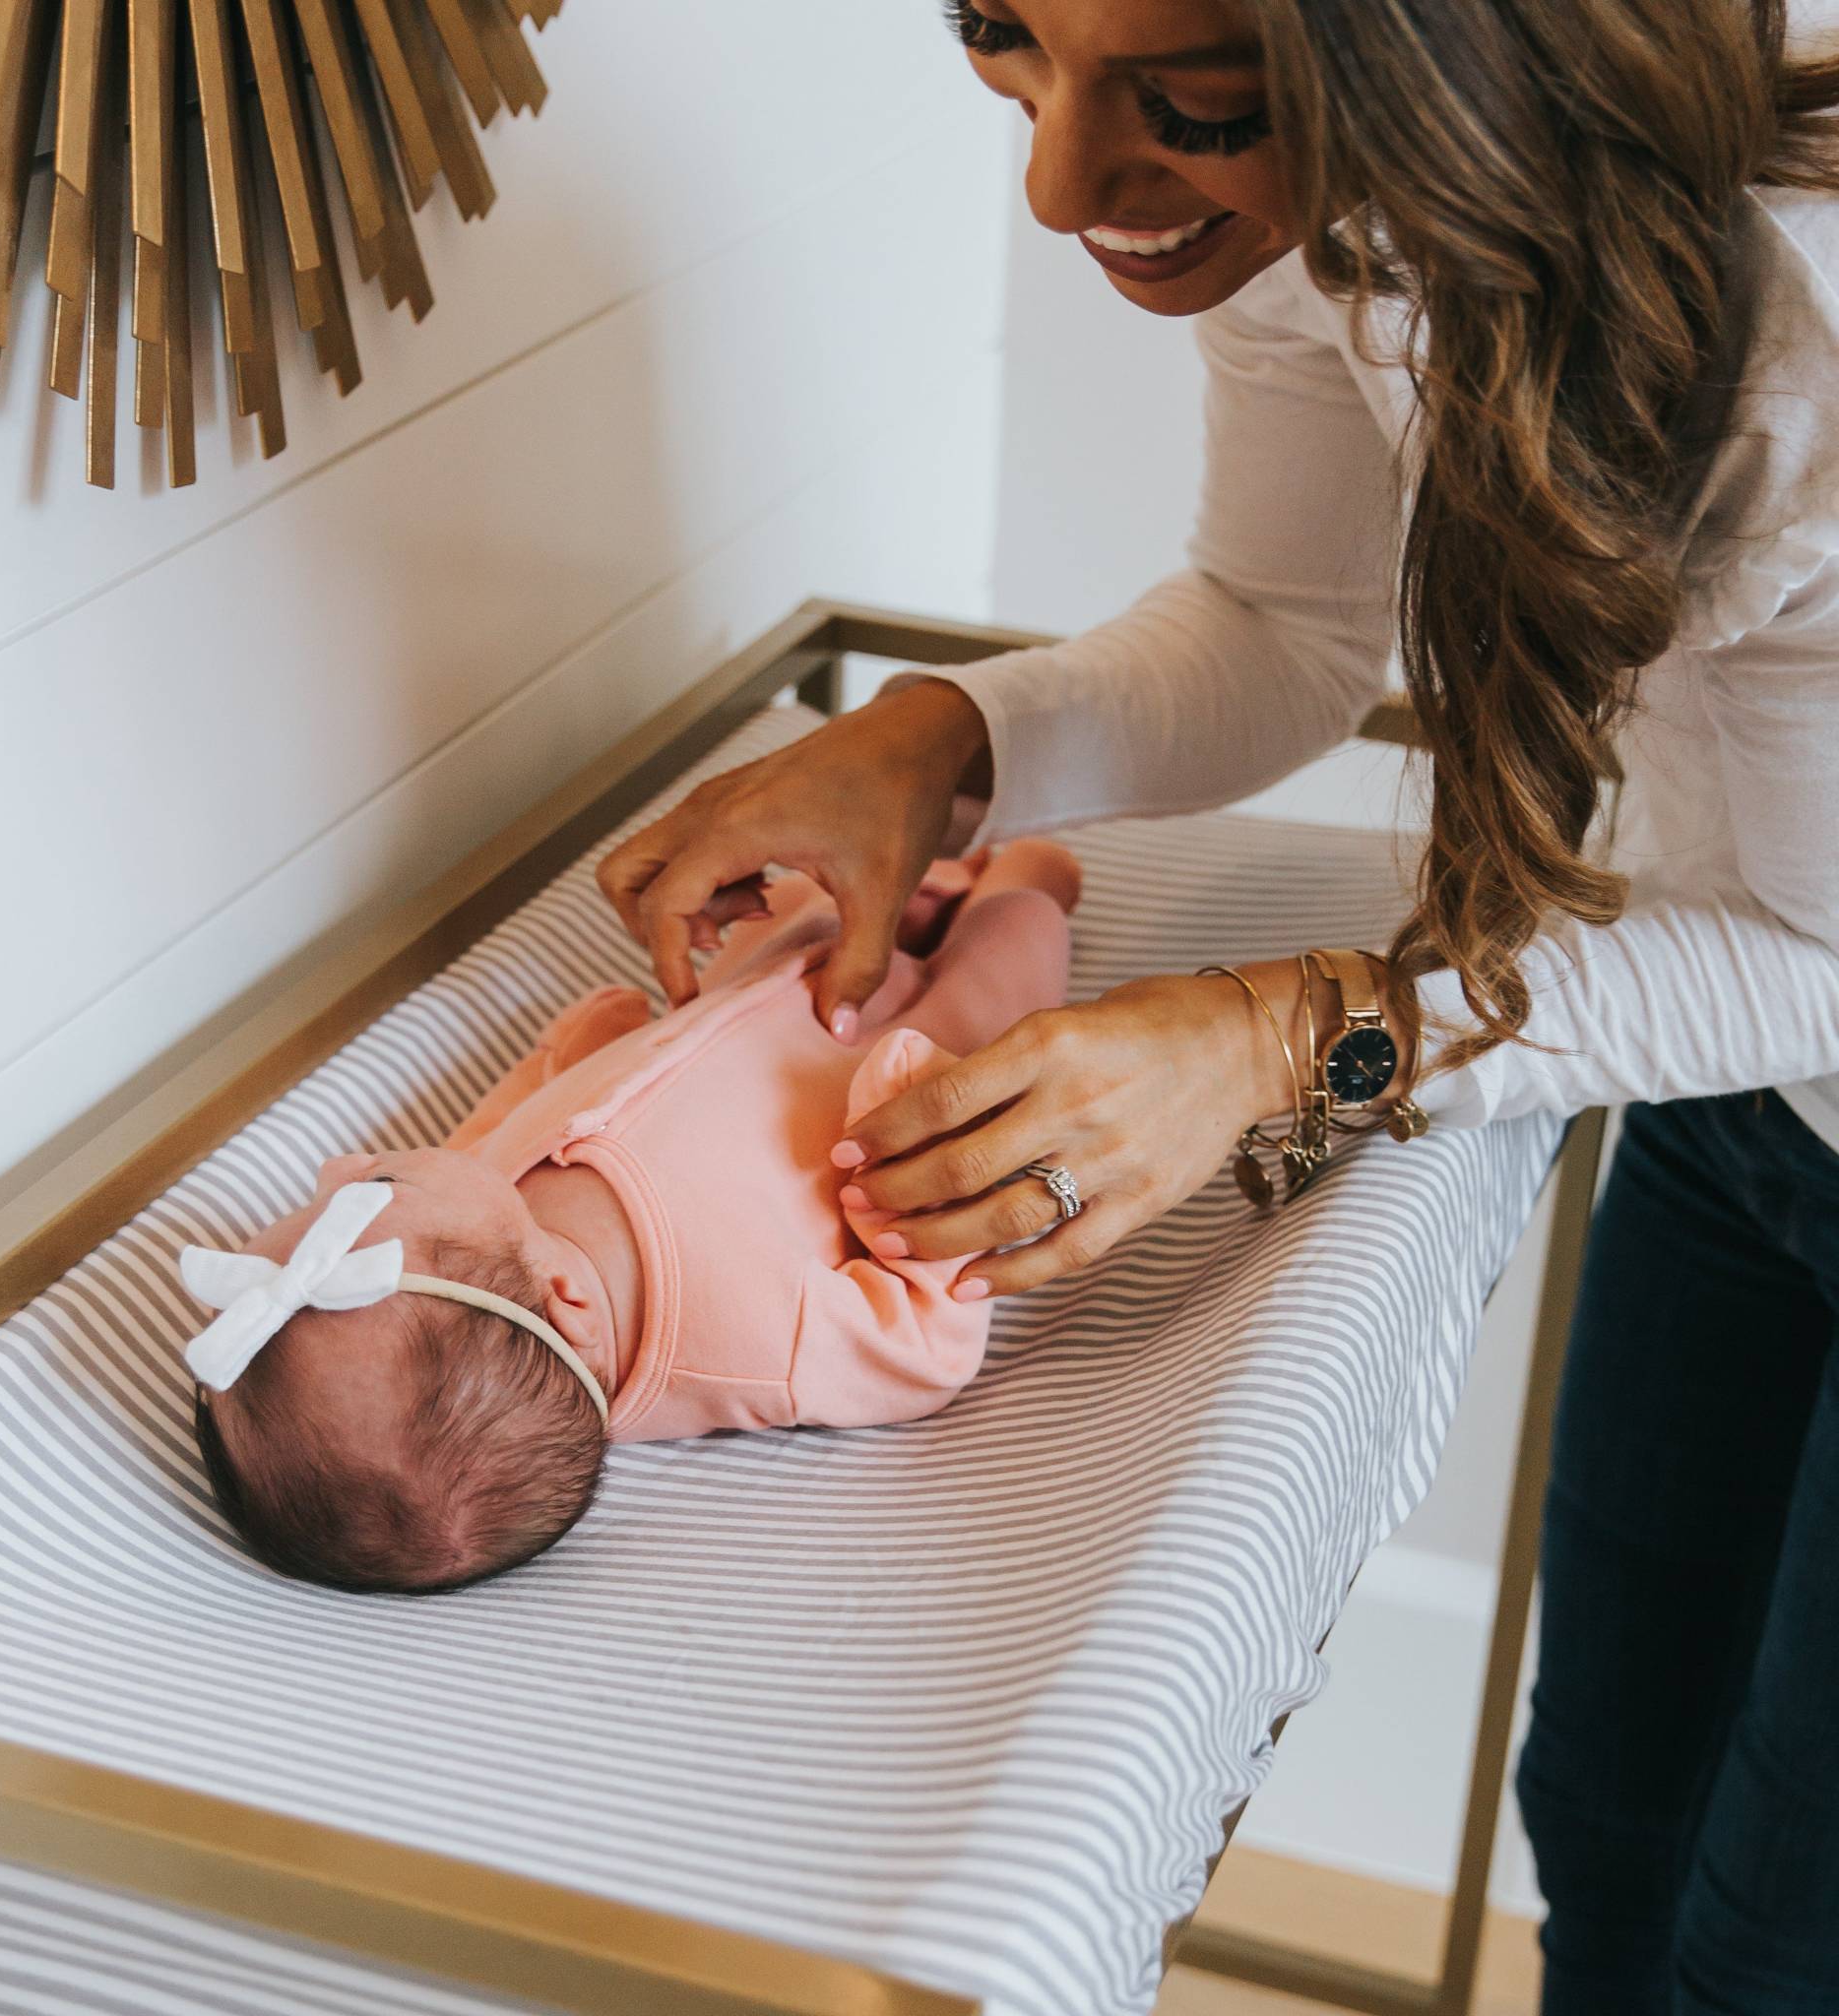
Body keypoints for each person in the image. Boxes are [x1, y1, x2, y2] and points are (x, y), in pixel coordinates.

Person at [593, 5, 1839, 2010]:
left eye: (1192, 106)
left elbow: (1817, 957)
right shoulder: (1337, 218)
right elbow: (1279, 624)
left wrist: (1282, 1040)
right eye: (1004, 35)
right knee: (1605, 1814)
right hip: (1742, 1116)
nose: (1058, 186)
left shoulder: (1810, 348)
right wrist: (940, 740)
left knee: (1771, 1945)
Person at [182, 843, 1081, 1592]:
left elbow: (491, 1127)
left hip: (756, 989)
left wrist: (557, 1062)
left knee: (809, 894)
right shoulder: (750, 1343)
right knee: (1011, 955)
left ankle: (926, 866)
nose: (338, 1166)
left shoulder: (487, 1226)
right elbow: (921, 1358)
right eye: (371, 1189)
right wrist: (919, 1204)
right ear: (566, 1299)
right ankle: (1019, 882)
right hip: (911, 1071)